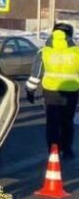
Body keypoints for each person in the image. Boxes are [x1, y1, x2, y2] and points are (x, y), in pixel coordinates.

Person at [25, 23, 79, 159]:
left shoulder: (43, 52)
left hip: (50, 92)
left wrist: (30, 90)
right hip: (71, 92)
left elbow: (36, 74)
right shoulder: (76, 52)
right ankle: (67, 150)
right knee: (67, 122)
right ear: (70, 35)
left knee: (52, 123)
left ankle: (53, 151)